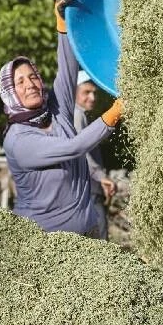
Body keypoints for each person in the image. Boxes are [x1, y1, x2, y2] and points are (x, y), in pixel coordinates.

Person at [0, 0, 123, 237]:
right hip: (45, 245)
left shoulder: (57, 112)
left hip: (88, 235)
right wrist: (114, 113)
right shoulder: (18, 140)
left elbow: (67, 69)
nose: (30, 85)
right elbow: (72, 147)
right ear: (10, 93)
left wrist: (63, 25)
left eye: (32, 76)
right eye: (19, 82)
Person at [73, 71, 117, 240]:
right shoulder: (77, 116)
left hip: (89, 185)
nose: (92, 98)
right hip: (89, 187)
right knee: (99, 239)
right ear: (74, 92)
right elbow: (81, 151)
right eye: (86, 92)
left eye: (94, 93)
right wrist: (101, 177)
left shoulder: (81, 115)